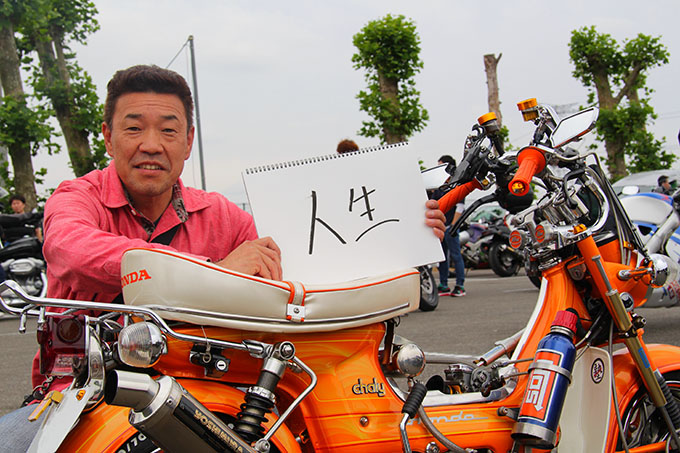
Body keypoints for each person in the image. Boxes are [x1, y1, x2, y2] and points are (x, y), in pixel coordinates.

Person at [0, 64, 446, 450]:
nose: (151, 144)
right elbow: (68, 248)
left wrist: (406, 231)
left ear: (188, 141)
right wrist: (211, 273)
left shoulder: (223, 216)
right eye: (134, 128)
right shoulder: (75, 198)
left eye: (168, 130)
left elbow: (303, 267)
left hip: (209, 394)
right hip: (86, 393)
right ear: (108, 137)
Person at [435, 155, 466, 297]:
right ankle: (443, 284)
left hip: (451, 228)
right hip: (441, 227)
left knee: (455, 255)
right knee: (443, 257)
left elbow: (460, 207)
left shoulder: (457, 184)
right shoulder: (439, 186)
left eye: (440, 166)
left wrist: (453, 226)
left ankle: (460, 285)